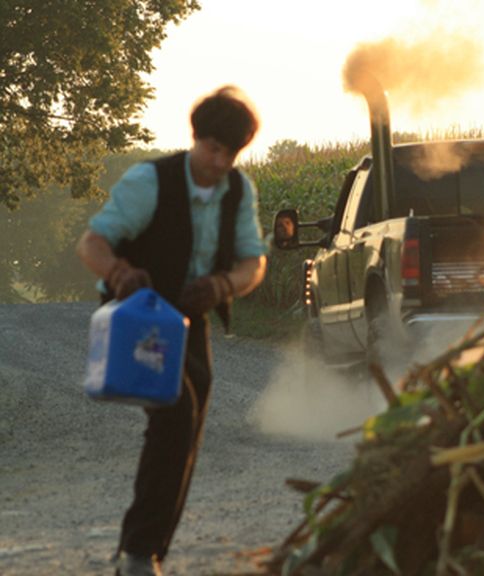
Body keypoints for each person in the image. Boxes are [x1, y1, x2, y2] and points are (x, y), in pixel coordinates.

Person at [76, 86, 267, 576]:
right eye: (213, 148)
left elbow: (253, 263)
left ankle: (148, 550)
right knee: (176, 411)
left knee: (189, 422)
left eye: (231, 153)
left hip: (189, 316)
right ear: (196, 137)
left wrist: (223, 285)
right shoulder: (150, 181)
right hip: (137, 314)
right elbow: (93, 242)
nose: (220, 162)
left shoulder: (238, 192)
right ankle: (139, 553)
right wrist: (117, 272)